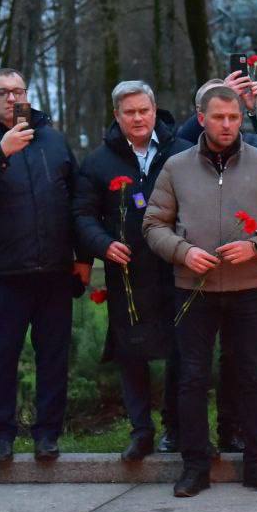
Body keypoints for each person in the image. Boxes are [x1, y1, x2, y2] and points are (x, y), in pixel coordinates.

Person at [143, 85, 257, 497]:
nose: (228, 125)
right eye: (219, 118)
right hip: (193, 289)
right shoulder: (176, 167)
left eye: (234, 118)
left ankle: (256, 462)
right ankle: (195, 465)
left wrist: (256, 245)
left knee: (250, 377)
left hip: (249, 288)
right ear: (202, 117)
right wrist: (183, 252)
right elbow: (153, 225)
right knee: (193, 378)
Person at [0, 68, 91, 463]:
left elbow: (77, 201)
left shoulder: (52, 140)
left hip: (54, 273)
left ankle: (47, 435)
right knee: (1, 357)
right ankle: (1, 436)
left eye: (19, 91)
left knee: (52, 357)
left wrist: (82, 257)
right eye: (3, 92)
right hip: (3, 273)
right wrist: (2, 152)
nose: (12, 99)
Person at [73, 81, 193, 461]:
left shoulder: (183, 153)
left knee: (181, 349)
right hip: (127, 272)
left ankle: (176, 427)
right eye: (130, 112)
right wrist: (102, 243)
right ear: (117, 116)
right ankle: (141, 430)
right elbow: (81, 214)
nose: (138, 118)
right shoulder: (97, 162)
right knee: (131, 352)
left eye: (144, 110)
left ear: (155, 110)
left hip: (175, 268)